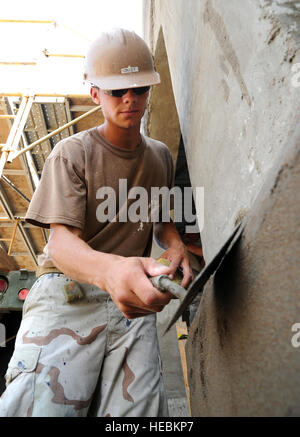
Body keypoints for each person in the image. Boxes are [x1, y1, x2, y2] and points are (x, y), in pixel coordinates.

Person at [0, 28, 193, 417]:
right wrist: (111, 271)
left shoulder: (159, 157)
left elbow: (160, 219)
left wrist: (175, 245)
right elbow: (60, 245)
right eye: (117, 91)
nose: (130, 99)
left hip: (133, 302)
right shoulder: (72, 153)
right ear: (94, 94)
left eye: (139, 89)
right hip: (69, 292)